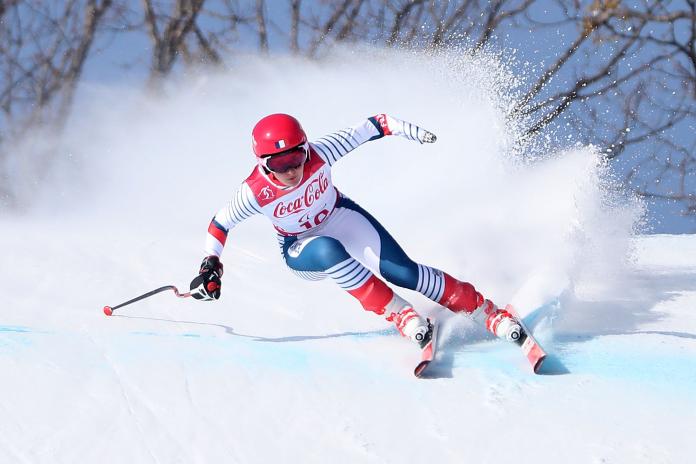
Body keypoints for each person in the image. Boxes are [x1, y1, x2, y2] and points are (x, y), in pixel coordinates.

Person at [190, 113, 521, 348]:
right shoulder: (254, 192)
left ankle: (486, 312)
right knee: (328, 249)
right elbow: (220, 224)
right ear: (263, 164)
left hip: (340, 215)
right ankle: (401, 315)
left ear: (306, 148)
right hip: (299, 246)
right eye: (279, 164)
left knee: (403, 272)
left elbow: (374, 125)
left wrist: (406, 130)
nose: (292, 169)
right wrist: (210, 264)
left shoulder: (322, 153)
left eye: (297, 156)